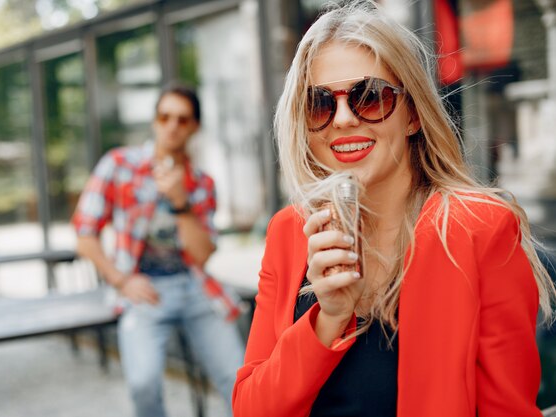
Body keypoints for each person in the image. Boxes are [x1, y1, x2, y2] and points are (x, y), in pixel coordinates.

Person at [232, 2, 556, 417]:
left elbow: (507, 410)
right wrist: (327, 319)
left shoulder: (480, 229)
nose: (344, 119)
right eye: (319, 103)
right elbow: (251, 409)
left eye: (369, 97)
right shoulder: (290, 232)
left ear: (412, 115)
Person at [72, 84, 244, 417]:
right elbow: (84, 233)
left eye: (182, 120)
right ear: (154, 120)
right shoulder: (120, 164)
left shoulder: (202, 183)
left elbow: (203, 255)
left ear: (194, 126)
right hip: (143, 289)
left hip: (194, 286)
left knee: (237, 378)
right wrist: (121, 280)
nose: (172, 126)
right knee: (143, 383)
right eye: (165, 116)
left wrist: (181, 202)